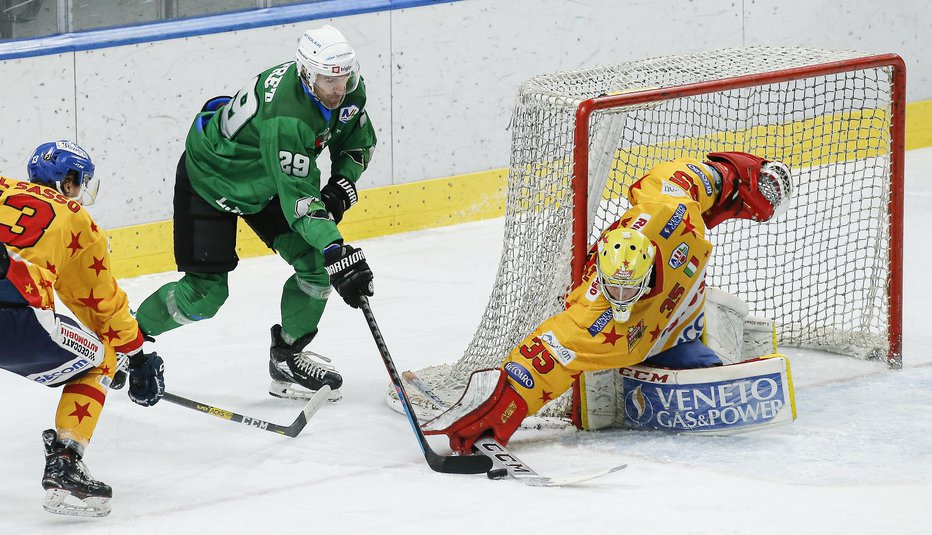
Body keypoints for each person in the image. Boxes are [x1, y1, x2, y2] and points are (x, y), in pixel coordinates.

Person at [423, 152, 796, 452]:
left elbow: (689, 176)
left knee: (700, 362)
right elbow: (541, 359)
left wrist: (739, 173)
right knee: (695, 371)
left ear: (649, 269)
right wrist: (506, 406)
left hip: (681, 319)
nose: (618, 298)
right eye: (611, 289)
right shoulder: (592, 316)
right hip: (646, 345)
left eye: (627, 290)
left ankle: (698, 335)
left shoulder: (671, 215)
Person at [133, 24, 377, 402]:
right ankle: (122, 339)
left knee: (314, 265)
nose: (337, 89)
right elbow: (300, 203)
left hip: (265, 181)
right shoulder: (288, 120)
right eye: (329, 80)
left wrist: (342, 185)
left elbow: (356, 141)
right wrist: (335, 249)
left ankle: (287, 358)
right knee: (204, 296)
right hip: (213, 179)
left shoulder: (346, 91)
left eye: (343, 78)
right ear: (306, 74)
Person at [0, 140, 165, 517]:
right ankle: (66, 458)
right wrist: (136, 356)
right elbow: (101, 305)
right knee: (100, 358)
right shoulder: (76, 219)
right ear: (66, 182)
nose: (78, 192)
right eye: (77, 182)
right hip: (14, 318)